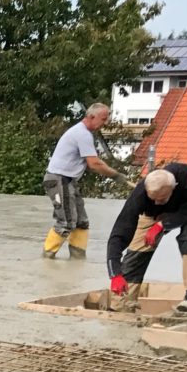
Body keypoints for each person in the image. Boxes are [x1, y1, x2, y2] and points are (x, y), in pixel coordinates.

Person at [106, 162, 187, 315]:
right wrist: (115, 274)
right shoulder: (140, 194)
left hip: (186, 214)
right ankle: (122, 305)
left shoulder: (185, 176)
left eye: (160, 199)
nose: (156, 202)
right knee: (136, 254)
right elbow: (118, 234)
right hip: (151, 216)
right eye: (153, 199)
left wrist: (163, 224)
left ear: (174, 188)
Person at [43, 103, 121, 259]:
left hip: (67, 181)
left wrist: (112, 173)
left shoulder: (83, 133)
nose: (105, 123)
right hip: (59, 180)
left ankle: (78, 260)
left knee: (81, 222)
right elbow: (94, 164)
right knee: (66, 223)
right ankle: (46, 259)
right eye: (103, 119)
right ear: (91, 116)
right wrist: (115, 175)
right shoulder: (83, 134)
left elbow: (92, 162)